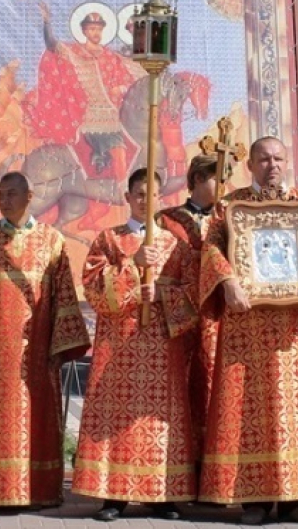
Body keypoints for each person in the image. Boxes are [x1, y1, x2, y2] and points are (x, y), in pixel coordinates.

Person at [197, 136, 298, 525]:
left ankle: (297, 501)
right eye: (263, 159)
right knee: (249, 411)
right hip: (248, 326)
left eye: (277, 158)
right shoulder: (229, 206)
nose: (271, 165)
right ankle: (252, 501)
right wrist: (227, 282)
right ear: (250, 165)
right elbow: (211, 249)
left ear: (286, 163)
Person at [0, 171, 91, 510]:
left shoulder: (53, 241)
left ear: (30, 195)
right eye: (1, 194)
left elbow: (64, 296)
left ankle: (35, 491)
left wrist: (60, 346)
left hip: (37, 353)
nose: (4, 200)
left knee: (34, 418)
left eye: (11, 193)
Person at [73, 168, 199, 521]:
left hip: (162, 346)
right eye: (139, 194)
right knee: (117, 417)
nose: (145, 200)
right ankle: (113, 495)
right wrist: (131, 266)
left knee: (158, 421)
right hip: (120, 344)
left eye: (152, 194)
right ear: (127, 197)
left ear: (161, 198)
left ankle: (162, 494)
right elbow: (94, 288)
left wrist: (163, 293)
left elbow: (192, 298)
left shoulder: (176, 244)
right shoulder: (109, 239)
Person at [31, 2, 147, 179]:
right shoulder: (75, 52)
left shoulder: (110, 55)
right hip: (89, 116)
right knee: (118, 153)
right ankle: (107, 169)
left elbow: (130, 74)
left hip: (114, 115)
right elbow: (52, 45)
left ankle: (114, 180)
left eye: (99, 29)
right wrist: (47, 22)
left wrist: (121, 88)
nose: (96, 33)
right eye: (91, 29)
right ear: (84, 31)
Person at [157, 154, 219, 462]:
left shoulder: (230, 219)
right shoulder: (167, 219)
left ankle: (214, 470)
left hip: (218, 315)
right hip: (178, 317)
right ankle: (181, 467)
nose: (222, 187)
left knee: (215, 388)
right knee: (182, 388)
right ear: (196, 179)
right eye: (215, 178)